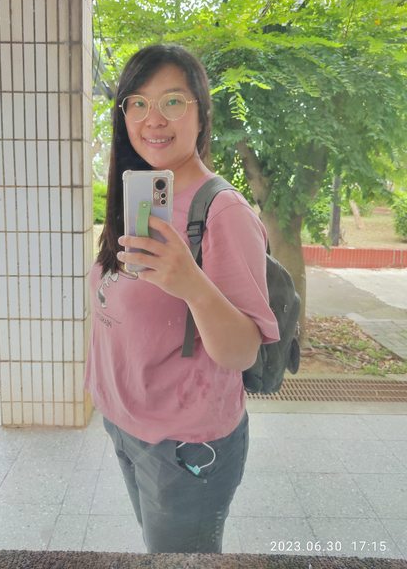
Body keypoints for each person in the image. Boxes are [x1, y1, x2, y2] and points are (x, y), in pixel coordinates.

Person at [85, 44, 279, 553]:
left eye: (172, 101)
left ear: (201, 113)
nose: (153, 119)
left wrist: (190, 282)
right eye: (138, 103)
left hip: (185, 444)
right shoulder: (138, 195)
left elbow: (241, 351)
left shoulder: (223, 212)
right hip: (126, 422)